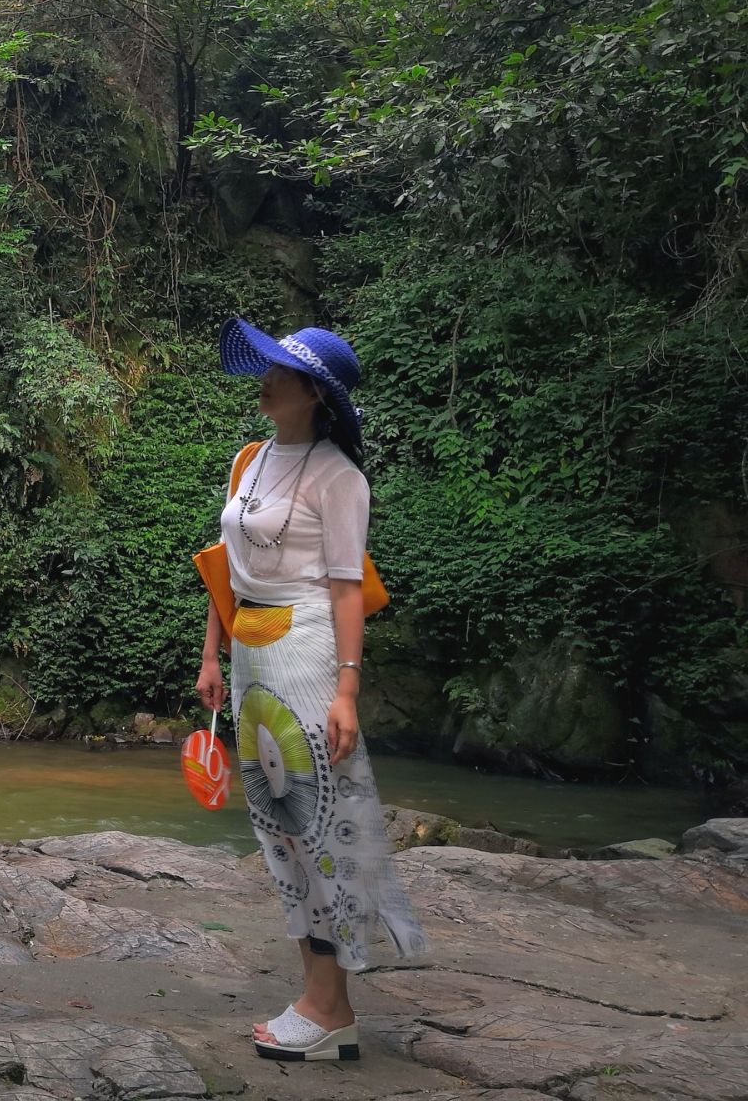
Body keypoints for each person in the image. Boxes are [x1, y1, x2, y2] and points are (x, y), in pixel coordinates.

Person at [195, 317, 427, 1063]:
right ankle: (317, 998)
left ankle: (332, 1008)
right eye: (264, 368)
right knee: (279, 827)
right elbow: (224, 567)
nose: (264, 382)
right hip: (252, 659)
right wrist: (211, 656)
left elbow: (347, 589)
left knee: (320, 823)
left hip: (308, 652)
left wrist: (348, 691)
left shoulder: (338, 476)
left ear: (315, 395)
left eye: (279, 373)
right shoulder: (248, 461)